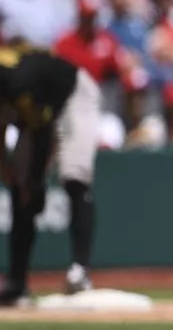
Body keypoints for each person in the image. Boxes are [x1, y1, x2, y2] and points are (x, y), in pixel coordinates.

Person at [0, 43, 102, 305]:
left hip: (72, 95)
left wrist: (33, 182)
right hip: (33, 107)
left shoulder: (18, 84)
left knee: (73, 174)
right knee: (18, 184)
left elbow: (42, 133)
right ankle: (17, 284)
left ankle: (80, 270)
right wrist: (10, 171)